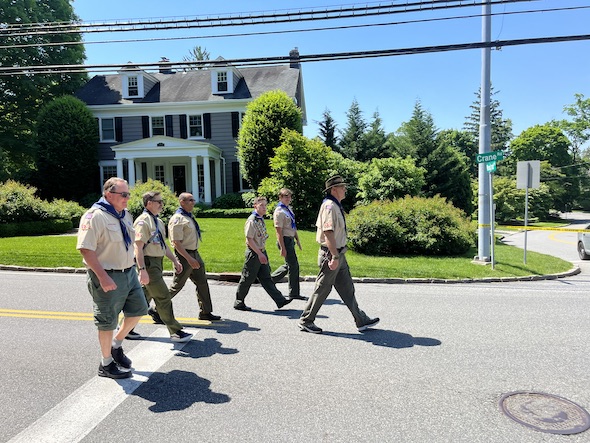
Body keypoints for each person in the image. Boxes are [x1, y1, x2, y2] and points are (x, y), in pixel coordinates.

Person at [77, 177, 148, 379]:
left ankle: (116, 344)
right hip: (107, 275)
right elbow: (85, 249)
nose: (127, 198)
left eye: (128, 194)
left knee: (139, 310)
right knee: (107, 321)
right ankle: (106, 364)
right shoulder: (94, 216)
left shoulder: (124, 214)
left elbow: (131, 244)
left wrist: (140, 268)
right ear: (109, 194)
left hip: (129, 272)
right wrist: (103, 277)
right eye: (123, 194)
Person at [298, 175, 380, 334]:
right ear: (333, 189)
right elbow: (328, 232)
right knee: (322, 289)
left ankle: (361, 319)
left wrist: (338, 255)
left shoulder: (336, 205)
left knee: (347, 289)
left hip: (339, 254)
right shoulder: (329, 206)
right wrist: (334, 256)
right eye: (342, 187)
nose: (345, 189)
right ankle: (306, 320)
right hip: (331, 254)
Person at [134, 191, 193, 343]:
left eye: (162, 201)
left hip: (157, 263)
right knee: (163, 297)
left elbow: (162, 244)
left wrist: (174, 260)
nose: (161, 204)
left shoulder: (158, 222)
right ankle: (175, 331)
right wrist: (142, 270)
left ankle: (126, 328)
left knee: (142, 299)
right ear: (148, 203)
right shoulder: (143, 221)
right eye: (158, 201)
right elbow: (138, 248)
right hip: (148, 263)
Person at [168, 192, 221, 321]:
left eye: (193, 200)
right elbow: (176, 243)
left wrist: (194, 257)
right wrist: (189, 259)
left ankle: (205, 312)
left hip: (194, 253)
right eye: (190, 200)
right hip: (184, 255)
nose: (193, 202)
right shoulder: (178, 219)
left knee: (202, 282)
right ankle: (157, 309)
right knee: (177, 285)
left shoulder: (188, 216)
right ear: (182, 202)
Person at [234, 196, 293, 311]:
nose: (264, 208)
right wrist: (259, 254)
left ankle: (280, 300)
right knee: (247, 278)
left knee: (266, 278)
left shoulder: (260, 219)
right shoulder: (252, 220)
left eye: (265, 205)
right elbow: (249, 240)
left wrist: (262, 253)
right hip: (254, 253)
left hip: (261, 252)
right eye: (261, 205)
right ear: (255, 206)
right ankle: (239, 301)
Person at [270, 188, 307, 301]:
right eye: (286, 196)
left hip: (290, 239)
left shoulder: (288, 209)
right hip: (285, 240)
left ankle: (269, 281)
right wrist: (282, 247)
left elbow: (293, 226)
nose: (288, 199)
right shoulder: (279, 212)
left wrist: (297, 240)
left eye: (289, 196)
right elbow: (278, 231)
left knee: (289, 265)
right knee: (293, 265)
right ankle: (294, 293)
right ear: (280, 198)